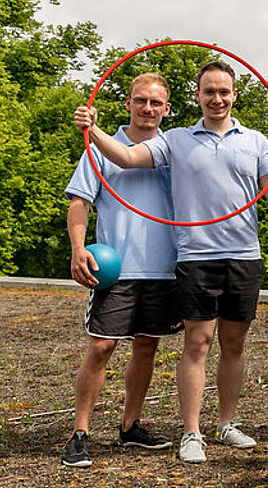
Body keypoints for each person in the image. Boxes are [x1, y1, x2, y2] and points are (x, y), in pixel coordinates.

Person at [74, 60, 268, 464]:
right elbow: (126, 157)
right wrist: (93, 129)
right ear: (197, 96)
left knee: (228, 344)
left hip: (237, 256)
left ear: (234, 95)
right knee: (192, 343)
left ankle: (223, 423)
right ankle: (187, 432)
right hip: (190, 256)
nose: (217, 98)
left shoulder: (255, 140)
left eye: (224, 92)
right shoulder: (177, 140)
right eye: (209, 91)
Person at [62, 73, 182, 467]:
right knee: (101, 346)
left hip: (163, 269)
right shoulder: (99, 147)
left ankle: (130, 427)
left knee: (147, 345)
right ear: (128, 104)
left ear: (166, 109)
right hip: (115, 266)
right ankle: (80, 433)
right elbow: (79, 202)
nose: (148, 108)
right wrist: (78, 250)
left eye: (155, 103)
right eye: (140, 100)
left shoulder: (174, 151)